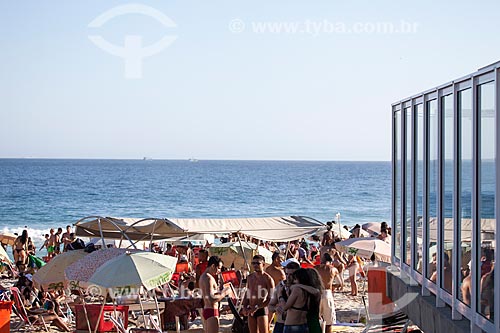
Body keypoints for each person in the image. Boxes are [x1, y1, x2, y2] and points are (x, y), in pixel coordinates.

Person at [242, 255, 275, 333]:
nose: (255, 265)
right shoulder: (250, 277)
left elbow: (271, 298)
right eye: (253, 263)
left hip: (262, 308)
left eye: (257, 263)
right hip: (251, 308)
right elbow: (248, 292)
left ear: (263, 264)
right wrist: (244, 306)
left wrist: (257, 307)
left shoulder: (268, 279)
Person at [199, 256, 232, 333]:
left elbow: (209, 294)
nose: (219, 271)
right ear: (213, 266)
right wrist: (224, 292)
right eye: (219, 268)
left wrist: (220, 291)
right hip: (211, 310)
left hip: (208, 309)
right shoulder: (208, 278)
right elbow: (211, 299)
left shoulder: (204, 276)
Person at [314, 253, 338, 332]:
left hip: (316, 292)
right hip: (327, 293)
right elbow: (340, 283)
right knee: (329, 321)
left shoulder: (315, 268)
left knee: (315, 319)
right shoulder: (333, 269)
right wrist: (333, 286)